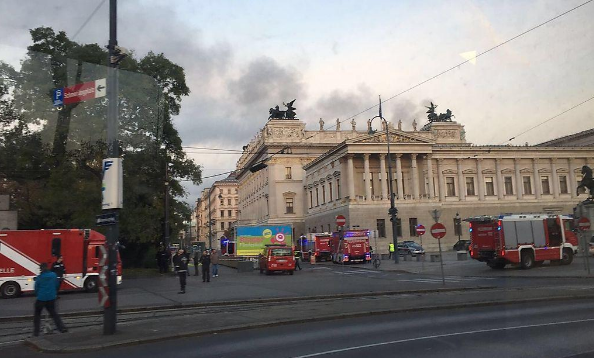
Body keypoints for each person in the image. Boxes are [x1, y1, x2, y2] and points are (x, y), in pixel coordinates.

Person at [33, 263, 67, 336]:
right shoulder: (53, 275)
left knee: (37, 315)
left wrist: (38, 294)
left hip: (41, 298)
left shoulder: (39, 277)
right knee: (54, 314)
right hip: (51, 298)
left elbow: (36, 288)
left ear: (41, 269)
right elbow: (56, 285)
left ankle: (36, 332)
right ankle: (62, 328)